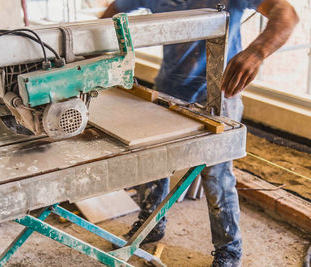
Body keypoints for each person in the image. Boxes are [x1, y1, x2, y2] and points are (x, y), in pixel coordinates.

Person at [102, 1, 298, 266]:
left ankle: (229, 250)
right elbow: (113, 11)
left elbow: (286, 14)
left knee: (217, 176)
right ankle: (151, 224)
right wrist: (106, 54)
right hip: (168, 91)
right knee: (151, 164)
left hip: (219, 95)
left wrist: (257, 51)